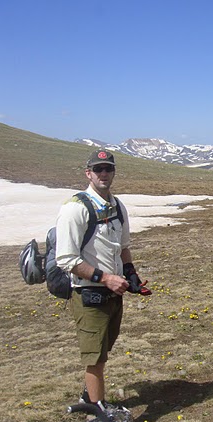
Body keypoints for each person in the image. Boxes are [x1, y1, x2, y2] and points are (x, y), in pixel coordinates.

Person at [56, 150, 148, 406]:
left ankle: (90, 396)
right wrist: (106, 278)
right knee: (94, 358)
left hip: (113, 293)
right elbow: (66, 259)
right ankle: (99, 415)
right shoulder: (75, 209)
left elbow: (123, 246)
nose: (103, 173)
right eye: (98, 169)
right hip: (89, 294)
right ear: (88, 173)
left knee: (102, 350)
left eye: (108, 169)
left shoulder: (117, 206)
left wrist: (131, 274)